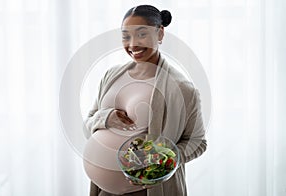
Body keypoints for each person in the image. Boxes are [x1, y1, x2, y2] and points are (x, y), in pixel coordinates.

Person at [83, 5, 207, 196]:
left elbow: (198, 143)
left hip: (147, 191)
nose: (133, 44)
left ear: (160, 34)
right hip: (104, 191)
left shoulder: (183, 89)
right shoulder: (111, 76)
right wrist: (106, 118)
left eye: (142, 34)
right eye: (126, 36)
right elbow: (89, 122)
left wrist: (161, 158)